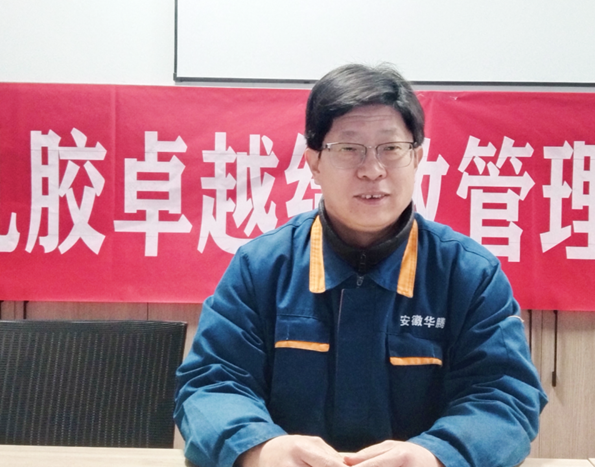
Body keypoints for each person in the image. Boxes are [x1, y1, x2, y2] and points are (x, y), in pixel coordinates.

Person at [174, 63, 547, 467]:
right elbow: (211, 385)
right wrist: (260, 449)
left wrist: (437, 456)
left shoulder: (469, 274)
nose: (372, 170)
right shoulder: (261, 268)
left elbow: (504, 396)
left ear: (417, 157)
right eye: (349, 149)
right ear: (314, 163)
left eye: (391, 148)